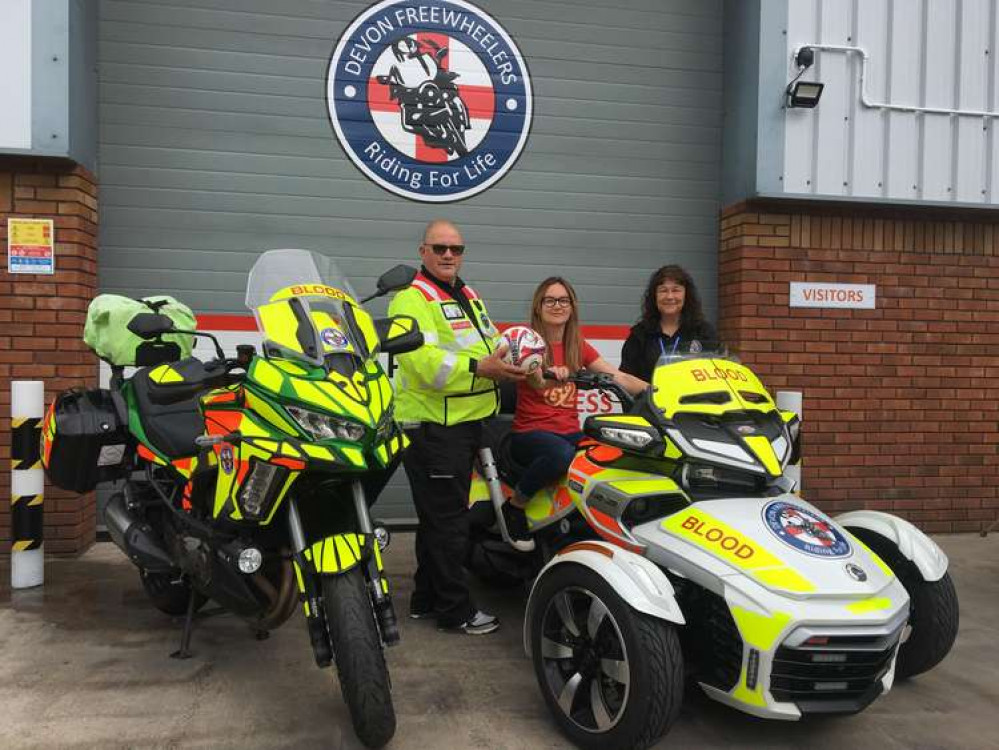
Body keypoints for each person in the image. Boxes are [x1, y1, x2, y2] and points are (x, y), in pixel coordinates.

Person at [387, 219, 525, 636]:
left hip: (465, 423)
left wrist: (515, 356)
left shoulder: (467, 294)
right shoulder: (410, 300)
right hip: (434, 427)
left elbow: (488, 342)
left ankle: (425, 598)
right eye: (440, 248)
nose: (449, 255)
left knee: (437, 518)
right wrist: (479, 368)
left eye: (456, 248)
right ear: (422, 251)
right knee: (448, 522)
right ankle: (455, 610)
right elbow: (423, 362)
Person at [507, 277, 647, 520]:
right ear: (538, 307)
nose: (557, 305)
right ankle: (515, 506)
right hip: (530, 433)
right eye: (549, 300)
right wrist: (551, 376)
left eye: (563, 300)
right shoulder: (527, 344)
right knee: (560, 455)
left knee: (615, 451)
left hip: (569, 432)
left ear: (572, 307)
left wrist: (657, 391)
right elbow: (536, 381)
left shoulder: (577, 346)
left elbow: (617, 376)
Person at [620, 265, 720, 383]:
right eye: (663, 290)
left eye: (676, 290)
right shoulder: (640, 334)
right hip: (650, 401)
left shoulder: (703, 332)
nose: (669, 296)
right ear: (654, 296)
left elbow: (716, 375)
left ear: (686, 295)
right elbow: (626, 379)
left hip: (693, 401)